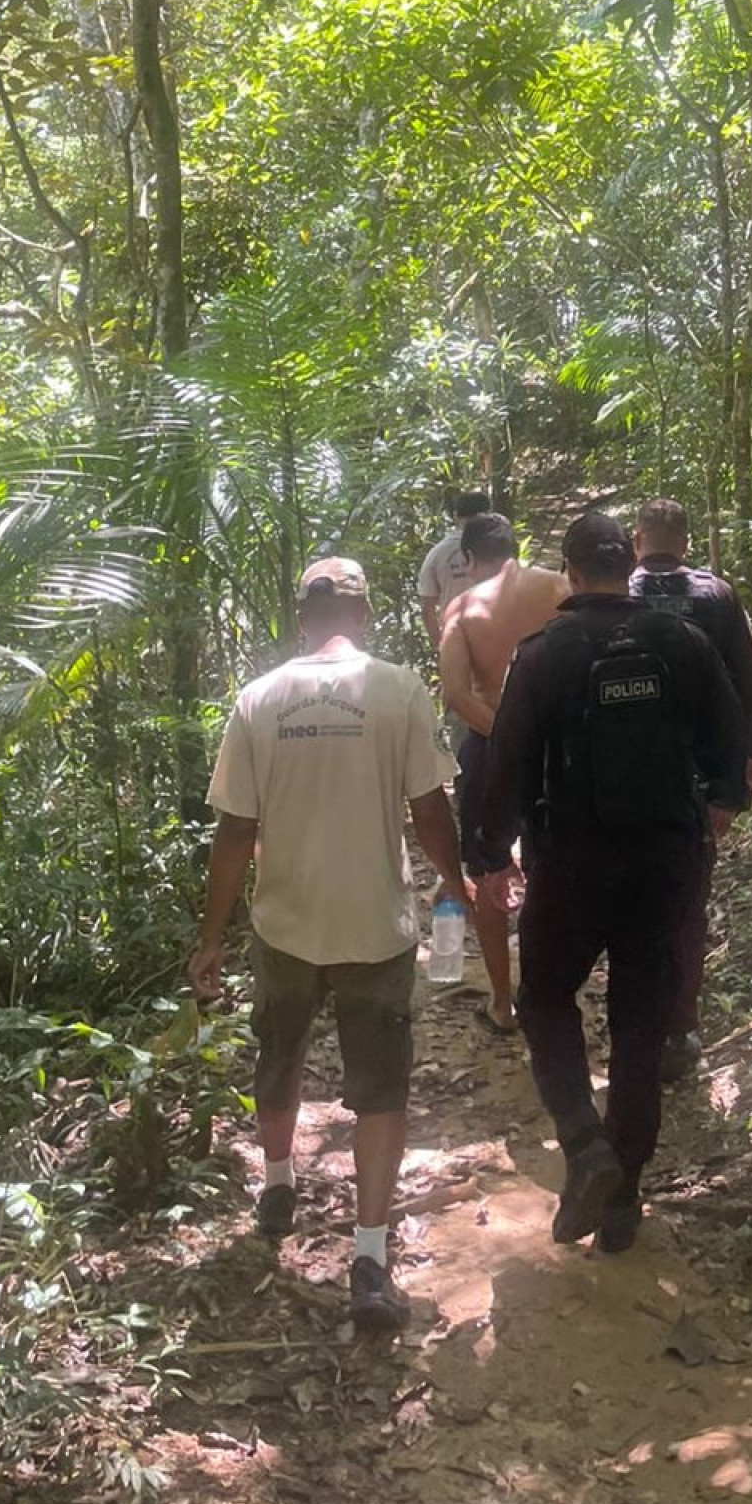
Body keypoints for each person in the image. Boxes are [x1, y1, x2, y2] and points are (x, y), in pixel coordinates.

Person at [189, 556, 471, 1337]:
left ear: (302, 618)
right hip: (374, 926)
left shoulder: (260, 698)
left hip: (285, 923)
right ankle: (371, 1258)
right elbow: (428, 807)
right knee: (380, 1089)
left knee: (277, 1057)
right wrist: (458, 884)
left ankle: (277, 1185)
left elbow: (236, 831)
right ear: (366, 614)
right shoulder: (397, 690)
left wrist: (211, 938)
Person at [479, 510, 752, 1255]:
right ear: (624, 564)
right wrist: (706, 817)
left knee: (544, 999)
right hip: (663, 863)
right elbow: (732, 752)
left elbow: (506, 764)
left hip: (568, 862)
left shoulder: (542, 654)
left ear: (569, 573)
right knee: (640, 1022)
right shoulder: (685, 641)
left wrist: (489, 853)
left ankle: (583, 1142)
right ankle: (625, 1197)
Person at [629, 498, 752, 1081]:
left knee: (634, 902)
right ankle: (681, 1026)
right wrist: (747, 765)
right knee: (687, 903)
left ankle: (639, 1019)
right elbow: (748, 678)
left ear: (639, 539)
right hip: (701, 777)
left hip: (632, 774)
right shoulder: (717, 596)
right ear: (685, 541)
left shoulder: (620, 593)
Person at [436, 509, 568, 1034]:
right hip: (560, 750)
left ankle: (502, 1002)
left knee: (489, 870)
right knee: (556, 865)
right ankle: (551, 992)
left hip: (491, 747)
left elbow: (455, 693)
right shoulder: (560, 588)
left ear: (468, 560)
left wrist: (507, 737)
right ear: (516, 547)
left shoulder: (462, 608)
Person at [418, 487, 491, 644]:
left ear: (456, 516)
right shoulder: (499, 549)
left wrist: (439, 645)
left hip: (455, 637)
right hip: (494, 636)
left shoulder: (437, 554)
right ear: (488, 514)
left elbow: (427, 609)